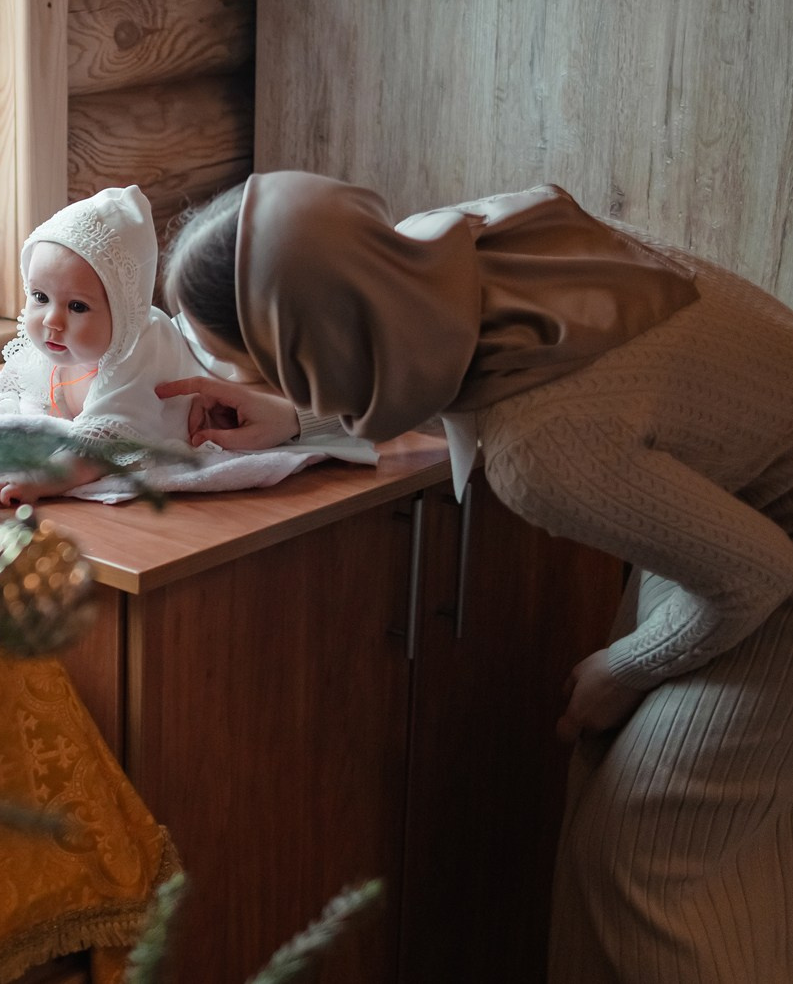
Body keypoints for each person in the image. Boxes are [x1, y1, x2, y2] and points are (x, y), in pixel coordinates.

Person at [158, 171, 793, 984]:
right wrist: (297, 418)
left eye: (261, 369)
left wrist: (618, 669)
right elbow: (445, 364)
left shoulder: (541, 454)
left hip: (763, 557)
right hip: (728, 504)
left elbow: (755, 577)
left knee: (647, 862)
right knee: (654, 820)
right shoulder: (449, 244)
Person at [0, 186, 202, 508]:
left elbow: (100, 450)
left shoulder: (138, 353)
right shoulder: (50, 343)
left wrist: (37, 479)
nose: (52, 321)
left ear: (123, 312)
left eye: (77, 307)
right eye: (40, 297)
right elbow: (7, 384)